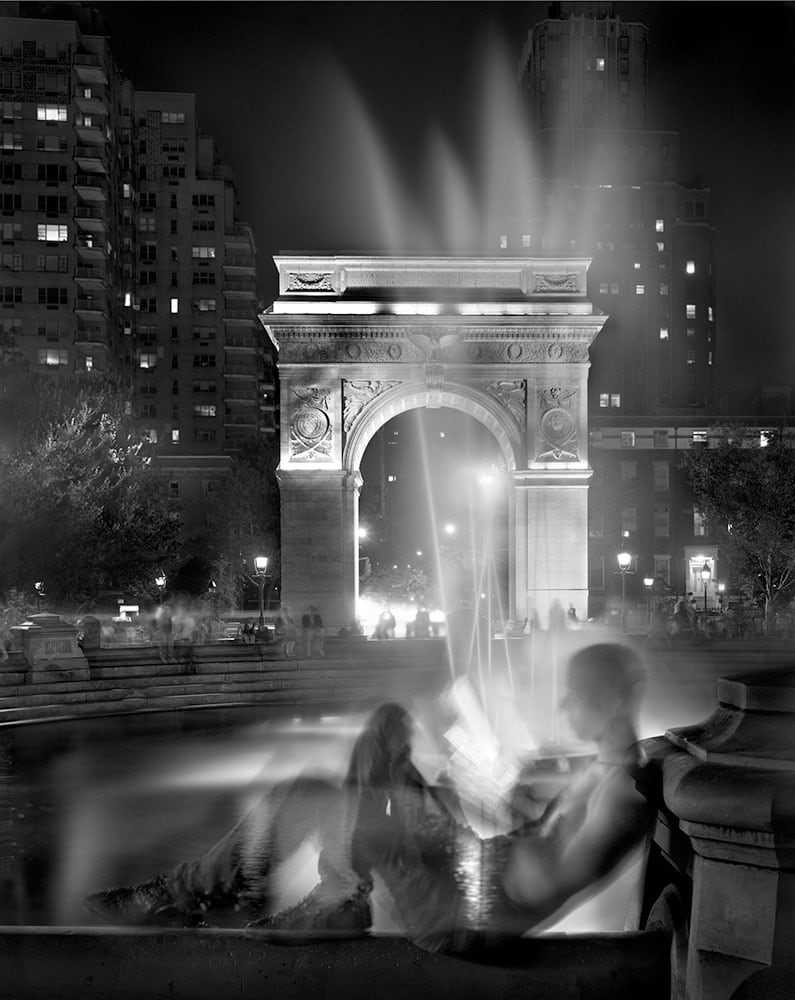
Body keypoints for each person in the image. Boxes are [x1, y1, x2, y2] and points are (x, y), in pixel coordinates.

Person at [84, 643, 652, 952]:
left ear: (600, 700)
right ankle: (337, 896)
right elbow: (538, 839)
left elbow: (542, 884)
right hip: (471, 868)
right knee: (386, 726)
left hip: (468, 911)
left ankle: (184, 896)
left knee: (309, 797)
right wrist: (483, 793)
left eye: (572, 698)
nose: (562, 710)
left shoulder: (621, 795)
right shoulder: (601, 774)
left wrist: (420, 837)